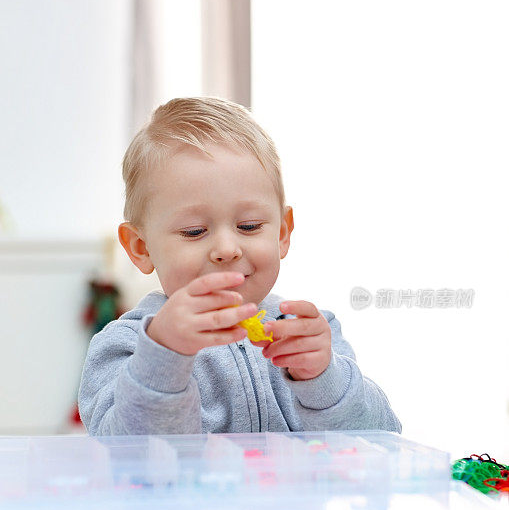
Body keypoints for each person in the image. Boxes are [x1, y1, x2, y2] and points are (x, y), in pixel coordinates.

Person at [78, 97, 401, 436]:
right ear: (141, 248)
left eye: (248, 226)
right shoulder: (124, 345)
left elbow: (381, 441)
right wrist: (164, 356)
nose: (227, 249)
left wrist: (325, 379)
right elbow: (127, 457)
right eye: (194, 231)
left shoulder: (309, 331)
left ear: (281, 233)